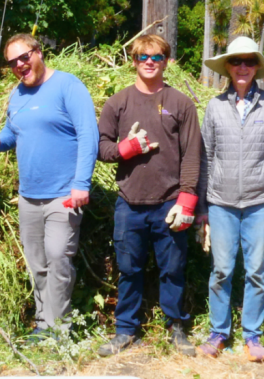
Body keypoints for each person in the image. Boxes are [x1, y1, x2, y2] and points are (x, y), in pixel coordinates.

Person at [0, 33, 98, 339]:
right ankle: (44, 323)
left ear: (39, 52)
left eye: (25, 57)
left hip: (64, 194)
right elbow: (12, 132)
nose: (20, 65)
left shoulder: (68, 86)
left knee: (59, 258)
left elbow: (89, 135)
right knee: (38, 264)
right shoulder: (17, 95)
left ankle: (61, 329)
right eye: (13, 62)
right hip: (29, 197)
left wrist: (81, 183)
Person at [93, 34, 201, 357]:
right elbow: (100, 147)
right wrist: (125, 149)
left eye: (157, 56)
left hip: (169, 203)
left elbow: (192, 155)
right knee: (129, 269)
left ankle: (176, 327)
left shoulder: (181, 103)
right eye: (143, 57)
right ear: (135, 61)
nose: (150, 62)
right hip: (129, 203)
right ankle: (126, 330)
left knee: (173, 269)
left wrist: (187, 199)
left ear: (167, 61)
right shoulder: (118, 102)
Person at [195, 36, 264, 361]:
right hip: (221, 204)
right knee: (221, 270)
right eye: (236, 61)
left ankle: (252, 335)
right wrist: (203, 207)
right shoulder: (214, 106)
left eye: (249, 62)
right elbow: (205, 157)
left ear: (256, 68)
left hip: (259, 204)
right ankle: (219, 332)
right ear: (227, 67)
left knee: (256, 272)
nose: (242, 67)